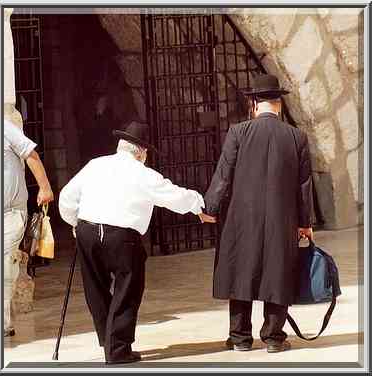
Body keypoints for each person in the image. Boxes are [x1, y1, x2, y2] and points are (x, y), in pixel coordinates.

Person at [58, 121, 214, 364]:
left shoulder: (95, 165)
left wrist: (74, 223)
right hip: (122, 238)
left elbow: (67, 197)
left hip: (88, 231)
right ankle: (118, 349)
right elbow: (173, 196)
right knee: (127, 291)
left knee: (95, 290)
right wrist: (199, 205)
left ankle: (109, 341)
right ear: (141, 151)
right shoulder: (143, 173)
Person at [203, 74, 314, 353]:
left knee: (242, 271)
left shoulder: (238, 132)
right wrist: (305, 223)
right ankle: (274, 338)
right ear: (278, 104)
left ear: (253, 103)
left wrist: (210, 208)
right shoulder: (297, 137)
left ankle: (240, 338)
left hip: (242, 220)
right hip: (282, 219)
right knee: (278, 271)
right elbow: (304, 185)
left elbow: (223, 176)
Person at [4, 118, 54, 337]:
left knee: (4, 265)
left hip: (10, 213)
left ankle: (3, 323)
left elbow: (30, 154)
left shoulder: (3, 127)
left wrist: (44, 187)